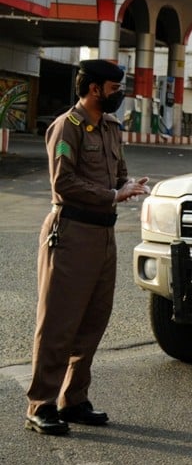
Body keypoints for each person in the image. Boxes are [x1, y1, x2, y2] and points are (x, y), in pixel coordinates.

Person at [25, 58, 150, 435]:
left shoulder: (110, 126)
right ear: (94, 89)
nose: (120, 95)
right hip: (72, 231)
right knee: (59, 323)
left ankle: (74, 398)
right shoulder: (68, 127)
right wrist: (113, 194)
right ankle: (41, 403)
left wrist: (128, 186)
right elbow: (64, 183)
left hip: (103, 234)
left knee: (93, 320)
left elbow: (119, 173)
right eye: (115, 89)